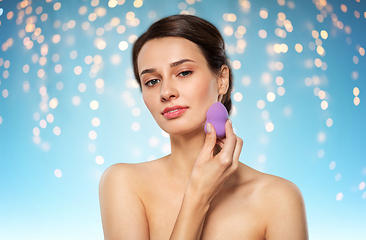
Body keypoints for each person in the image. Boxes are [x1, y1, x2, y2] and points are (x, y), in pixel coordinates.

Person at [99, 14, 308, 240]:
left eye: (184, 72)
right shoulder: (124, 183)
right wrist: (198, 195)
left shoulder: (278, 199)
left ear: (222, 79)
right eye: (152, 81)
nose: (166, 92)